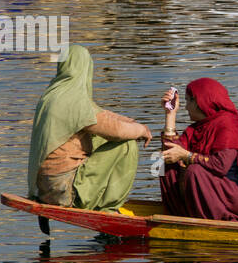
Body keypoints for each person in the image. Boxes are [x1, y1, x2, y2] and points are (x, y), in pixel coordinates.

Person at [27, 45, 151, 211]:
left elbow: (99, 113)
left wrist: (132, 123)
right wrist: (141, 130)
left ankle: (96, 197)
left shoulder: (52, 95)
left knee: (98, 138)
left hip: (46, 187)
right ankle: (109, 207)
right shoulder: (73, 101)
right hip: (64, 190)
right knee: (127, 145)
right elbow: (118, 131)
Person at [159, 79, 238, 223]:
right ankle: (180, 213)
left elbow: (221, 166)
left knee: (194, 171)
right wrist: (170, 115)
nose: (186, 107)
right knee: (160, 162)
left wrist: (186, 155)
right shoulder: (195, 129)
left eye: (188, 101)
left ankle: (210, 221)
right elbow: (170, 152)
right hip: (214, 198)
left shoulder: (228, 124)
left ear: (199, 102)